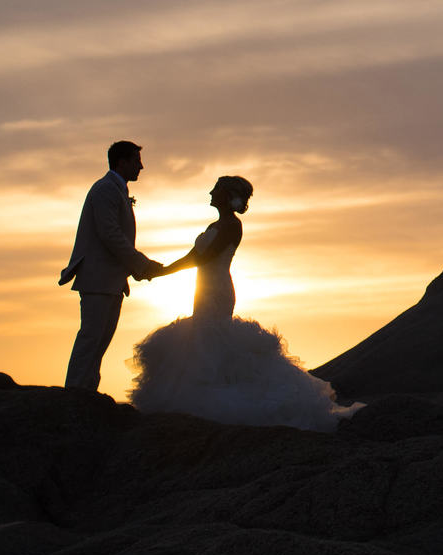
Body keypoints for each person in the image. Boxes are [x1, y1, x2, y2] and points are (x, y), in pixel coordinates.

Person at [128, 175, 351, 431]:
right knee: (206, 341)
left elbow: (201, 257)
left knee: (212, 338)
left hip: (217, 290)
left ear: (226, 195)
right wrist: (159, 271)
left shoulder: (232, 226)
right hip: (203, 290)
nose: (210, 192)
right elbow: (195, 256)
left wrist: (158, 272)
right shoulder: (217, 224)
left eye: (216, 189)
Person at [58, 140, 166, 392]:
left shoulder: (116, 190)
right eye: (136, 161)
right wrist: (142, 264)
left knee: (100, 342)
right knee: (91, 339)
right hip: (98, 278)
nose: (141, 167)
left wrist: (136, 269)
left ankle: (85, 392)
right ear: (121, 162)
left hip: (112, 280)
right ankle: (74, 393)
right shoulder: (105, 189)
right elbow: (110, 234)